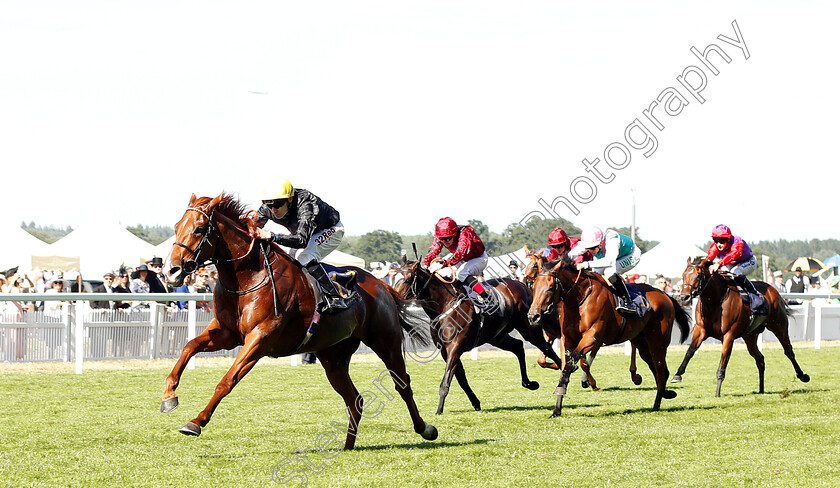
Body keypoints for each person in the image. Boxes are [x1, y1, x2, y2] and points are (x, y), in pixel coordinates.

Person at [255, 177, 357, 313]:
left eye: (278, 204)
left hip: (330, 230)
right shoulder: (267, 208)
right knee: (285, 257)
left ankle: (336, 296)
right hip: (304, 233)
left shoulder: (306, 204)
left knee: (303, 256)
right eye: (268, 204)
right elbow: (252, 229)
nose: (273, 210)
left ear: (290, 199)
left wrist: (273, 236)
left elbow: (301, 241)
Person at [569, 226, 641, 314]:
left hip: (631, 255)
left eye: (593, 248)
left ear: (601, 243)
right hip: (614, 256)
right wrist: (561, 262)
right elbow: (571, 254)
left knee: (609, 272)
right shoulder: (591, 242)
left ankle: (628, 302)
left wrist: (585, 264)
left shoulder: (612, 241)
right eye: (588, 249)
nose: (591, 251)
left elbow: (609, 262)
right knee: (595, 273)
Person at [423, 217, 492, 308]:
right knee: (442, 274)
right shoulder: (441, 236)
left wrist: (442, 264)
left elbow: (459, 253)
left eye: (448, 238)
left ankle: (486, 296)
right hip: (463, 260)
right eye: (442, 239)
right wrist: (425, 264)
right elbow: (433, 251)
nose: (445, 242)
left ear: (455, 234)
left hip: (479, 258)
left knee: (461, 274)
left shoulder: (465, 233)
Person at [705, 224, 763, 311]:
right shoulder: (716, 246)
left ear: (728, 239)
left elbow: (734, 254)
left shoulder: (737, 241)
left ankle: (754, 294)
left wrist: (718, 264)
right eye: (716, 240)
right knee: (720, 273)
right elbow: (709, 257)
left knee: (735, 272)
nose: (718, 244)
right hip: (732, 263)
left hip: (748, 261)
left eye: (721, 241)